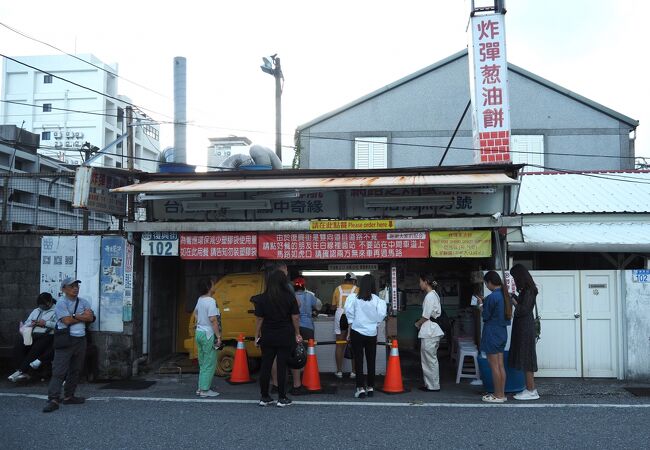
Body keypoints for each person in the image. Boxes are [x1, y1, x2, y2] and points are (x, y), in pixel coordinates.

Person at [43, 278, 95, 413]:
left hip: (81, 339)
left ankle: (69, 396)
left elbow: (90, 318)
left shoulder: (84, 301)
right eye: (72, 286)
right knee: (59, 370)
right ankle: (53, 399)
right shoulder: (61, 303)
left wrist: (74, 315)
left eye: (77, 286)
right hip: (65, 339)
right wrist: (79, 316)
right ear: (64, 289)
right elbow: (66, 321)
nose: (75, 288)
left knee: (75, 370)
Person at [254, 270, 302, 407]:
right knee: (282, 366)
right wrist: (297, 332)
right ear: (284, 282)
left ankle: (264, 397)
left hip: (267, 335)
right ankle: (282, 397)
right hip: (285, 335)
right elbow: (295, 317)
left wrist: (257, 335)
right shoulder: (289, 297)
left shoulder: (262, 298)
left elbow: (259, 319)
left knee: (266, 366)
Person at [344, 274, 387, 398]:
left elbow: (349, 314)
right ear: (374, 285)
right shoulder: (378, 300)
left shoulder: (353, 298)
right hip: (371, 333)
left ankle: (360, 389)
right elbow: (380, 316)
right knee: (371, 360)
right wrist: (374, 325)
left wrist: (349, 332)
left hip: (357, 332)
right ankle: (371, 388)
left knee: (358, 361)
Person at [477, 271, 511, 403]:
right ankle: (501, 394)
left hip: (492, 333)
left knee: (494, 366)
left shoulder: (492, 297)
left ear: (490, 282)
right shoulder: (504, 295)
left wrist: (481, 305)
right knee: (500, 365)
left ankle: (497, 395)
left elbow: (485, 316)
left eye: (486, 283)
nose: (486, 286)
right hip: (502, 332)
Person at [8, 293, 57, 382]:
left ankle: (21, 371)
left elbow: (59, 325)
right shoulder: (36, 311)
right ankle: (20, 370)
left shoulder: (56, 310)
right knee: (19, 345)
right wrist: (32, 323)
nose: (43, 308)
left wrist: (45, 323)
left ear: (50, 302)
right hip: (32, 333)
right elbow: (27, 322)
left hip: (48, 335)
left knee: (35, 348)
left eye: (45, 305)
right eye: (41, 306)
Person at [508, 264, 540, 400]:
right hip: (525, 327)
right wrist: (513, 295)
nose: (514, 280)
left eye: (514, 277)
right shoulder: (527, 290)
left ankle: (531, 390)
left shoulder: (529, 291)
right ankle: (529, 388)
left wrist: (513, 301)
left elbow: (522, 310)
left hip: (525, 327)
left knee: (527, 359)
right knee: (526, 358)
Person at [288, 277, 322, 395]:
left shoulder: (290, 296)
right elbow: (319, 305)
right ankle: (307, 377)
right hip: (308, 327)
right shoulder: (309, 296)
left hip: (294, 327)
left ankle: (295, 380)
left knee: (294, 354)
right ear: (304, 286)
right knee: (308, 353)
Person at [414, 273, 444, 392]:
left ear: (426, 282)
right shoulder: (433, 295)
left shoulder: (430, 296)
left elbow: (426, 316)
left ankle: (433, 385)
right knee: (429, 359)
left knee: (429, 359)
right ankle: (430, 384)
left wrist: (418, 323)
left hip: (430, 331)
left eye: (420, 281)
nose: (419, 284)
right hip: (432, 331)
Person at [194, 278, 222, 398]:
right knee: (210, 363)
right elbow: (213, 319)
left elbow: (195, 312)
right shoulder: (210, 301)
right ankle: (205, 390)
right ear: (209, 287)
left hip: (199, 332)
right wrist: (218, 336)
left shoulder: (200, 300)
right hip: (208, 334)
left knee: (203, 362)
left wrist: (199, 322)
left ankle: (200, 388)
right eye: (212, 284)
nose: (214, 286)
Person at [332, 272, 359, 379]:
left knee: (339, 344)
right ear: (353, 281)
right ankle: (354, 372)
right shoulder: (357, 289)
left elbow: (333, 307)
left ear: (344, 280)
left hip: (340, 314)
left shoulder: (337, 289)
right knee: (354, 343)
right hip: (352, 316)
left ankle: (339, 371)